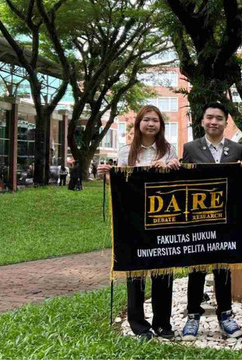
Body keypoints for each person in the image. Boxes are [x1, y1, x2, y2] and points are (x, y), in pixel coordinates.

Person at [98, 105, 179, 340]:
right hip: (133, 221)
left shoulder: (169, 150)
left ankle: (163, 323)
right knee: (136, 273)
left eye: (155, 120)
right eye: (146, 120)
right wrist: (107, 175)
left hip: (163, 219)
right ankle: (139, 325)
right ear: (139, 124)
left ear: (161, 126)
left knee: (163, 273)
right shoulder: (125, 152)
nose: (151, 124)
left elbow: (177, 183)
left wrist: (171, 167)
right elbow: (119, 187)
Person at [179, 102, 242, 340]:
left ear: (225, 122)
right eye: (209, 117)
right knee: (197, 268)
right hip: (199, 219)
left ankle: (226, 315)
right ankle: (193, 316)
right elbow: (182, 181)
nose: (214, 122)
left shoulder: (237, 150)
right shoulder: (190, 147)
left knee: (223, 269)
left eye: (219, 118)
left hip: (227, 220)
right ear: (202, 121)